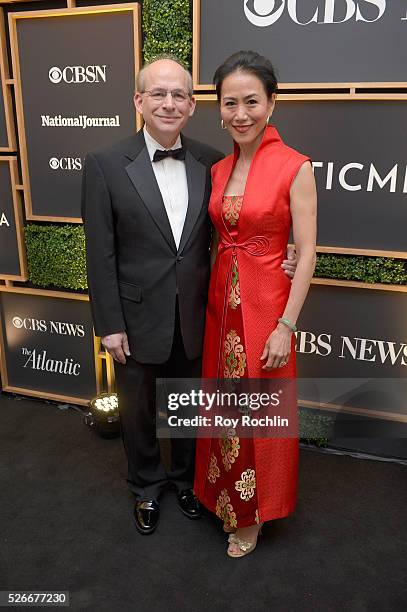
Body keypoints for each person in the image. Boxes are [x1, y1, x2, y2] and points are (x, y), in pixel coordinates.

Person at [81, 55, 298, 536]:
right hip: (134, 317)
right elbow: (101, 254)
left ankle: (183, 479)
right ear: (139, 100)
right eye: (157, 93)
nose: (168, 103)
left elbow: (240, 228)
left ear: (192, 104)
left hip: (200, 312)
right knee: (137, 412)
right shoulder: (104, 164)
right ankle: (145, 486)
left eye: (179, 94)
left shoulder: (212, 162)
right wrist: (109, 323)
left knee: (185, 403)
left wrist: (288, 254)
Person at [194, 51, 317, 558]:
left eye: (251, 102)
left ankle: (254, 514)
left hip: (267, 306)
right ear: (218, 107)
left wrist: (287, 323)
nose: (239, 114)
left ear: (271, 104)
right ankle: (221, 497)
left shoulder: (295, 167)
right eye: (229, 103)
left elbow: (307, 251)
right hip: (221, 304)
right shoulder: (219, 168)